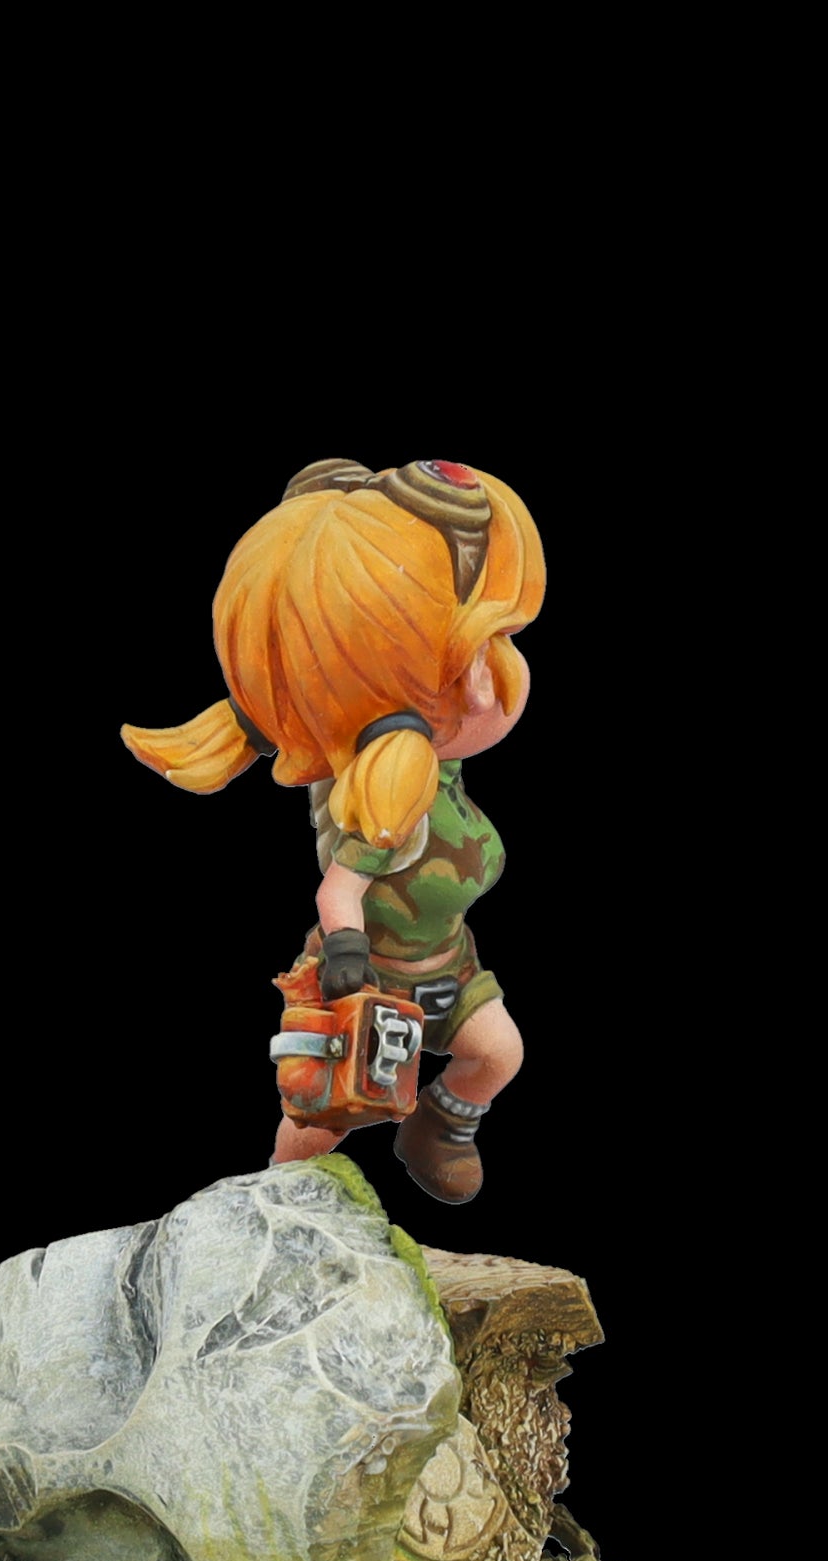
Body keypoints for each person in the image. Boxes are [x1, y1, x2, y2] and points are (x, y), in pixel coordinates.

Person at [122, 458, 545, 1204]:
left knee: (498, 1055)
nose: (500, 679)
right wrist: (347, 962)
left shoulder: (430, 764)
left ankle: (440, 1129)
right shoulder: (385, 798)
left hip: (448, 967)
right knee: (322, 1120)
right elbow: (338, 891)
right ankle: (270, 1200)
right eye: (486, 650)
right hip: (373, 984)